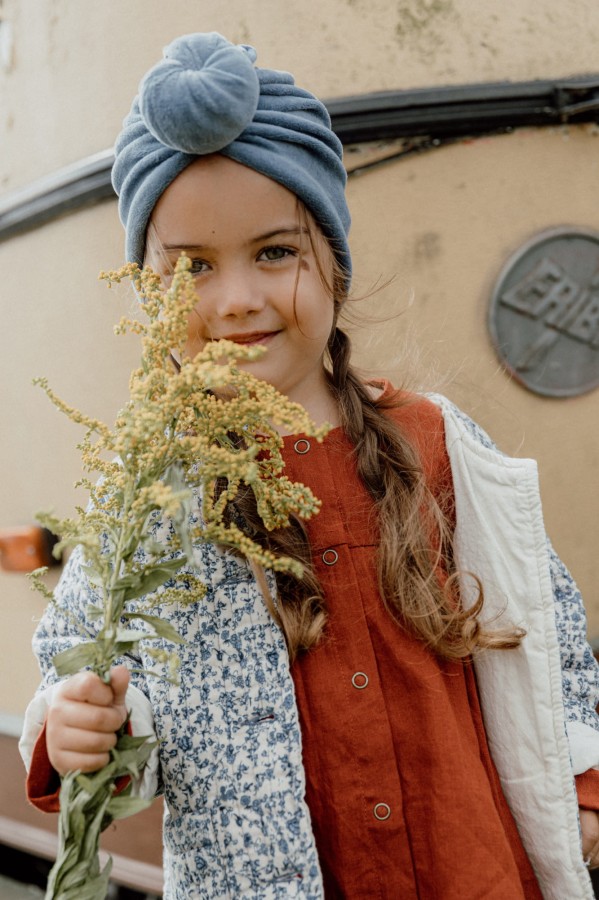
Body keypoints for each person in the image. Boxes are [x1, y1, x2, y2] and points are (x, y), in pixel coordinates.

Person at [18, 32, 599, 899]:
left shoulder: (432, 441)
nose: (236, 299)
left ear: (331, 262)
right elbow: (86, 673)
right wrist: (79, 728)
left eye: (274, 252)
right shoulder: (149, 490)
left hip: (471, 870)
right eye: (192, 268)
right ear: (148, 298)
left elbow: (548, 627)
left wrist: (583, 788)